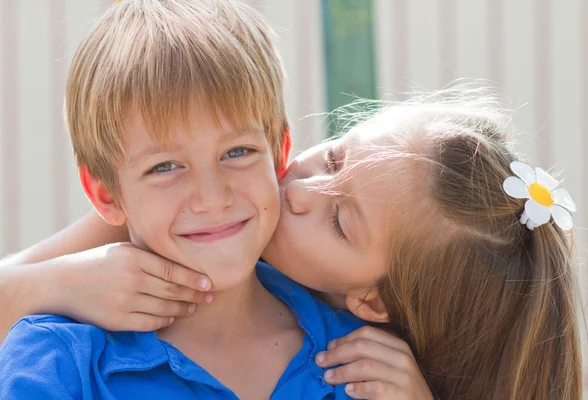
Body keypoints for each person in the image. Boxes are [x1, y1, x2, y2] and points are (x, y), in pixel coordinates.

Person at [0, 1, 427, 399]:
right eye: (164, 166)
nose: (211, 198)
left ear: (279, 153)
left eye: (236, 152)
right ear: (106, 194)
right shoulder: (56, 362)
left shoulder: (369, 365)